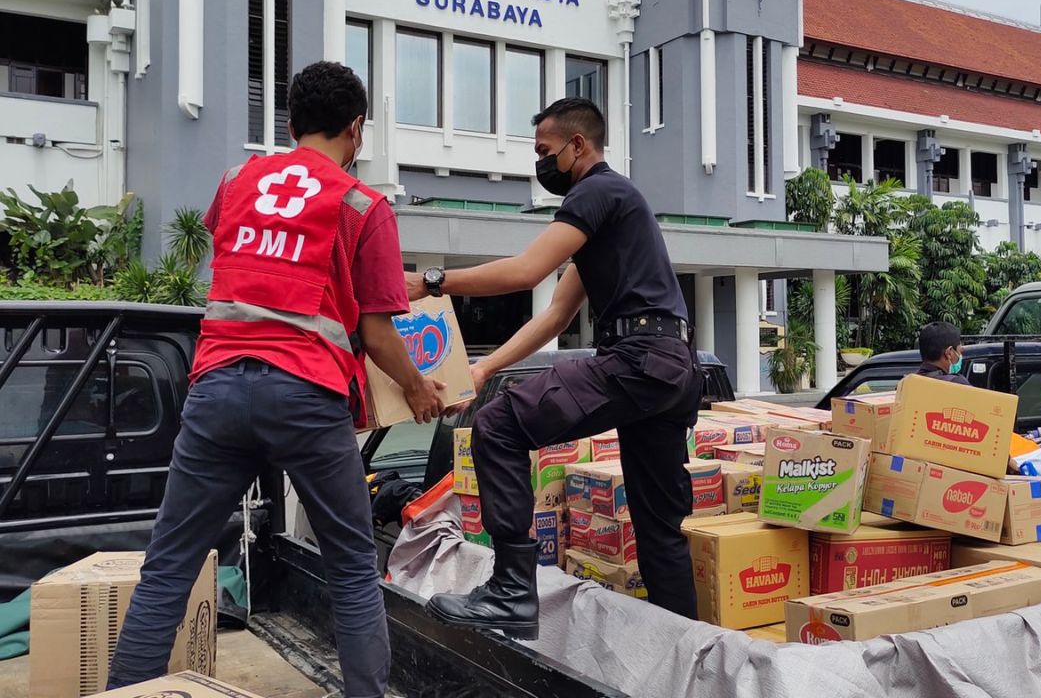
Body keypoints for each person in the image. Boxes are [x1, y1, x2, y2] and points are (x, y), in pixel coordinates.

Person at [106, 62, 445, 696]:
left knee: (169, 568)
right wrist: (421, 388)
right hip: (305, 395)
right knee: (349, 570)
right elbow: (375, 334)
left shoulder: (235, 180)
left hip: (216, 389)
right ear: (357, 129)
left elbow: (239, 261)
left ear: (290, 124)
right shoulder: (362, 205)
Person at [408, 97, 704, 639]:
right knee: (658, 529)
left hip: (639, 361)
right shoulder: (613, 212)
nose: (540, 163)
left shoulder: (598, 191)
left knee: (496, 425)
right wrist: (483, 370)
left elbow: (526, 271)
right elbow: (555, 315)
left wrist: (431, 282)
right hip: (672, 369)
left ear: (578, 146)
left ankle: (512, 593)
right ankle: (687, 652)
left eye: (544, 151)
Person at [914, 321, 970, 385]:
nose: (960, 356)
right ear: (949, 353)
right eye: (960, 352)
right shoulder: (956, 383)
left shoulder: (907, 383)